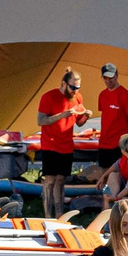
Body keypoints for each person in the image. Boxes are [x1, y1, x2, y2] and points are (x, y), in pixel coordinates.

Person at [35, 68, 86, 220]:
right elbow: (41, 120)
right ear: (64, 84)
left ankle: (59, 213)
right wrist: (61, 115)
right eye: (72, 87)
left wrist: (85, 116)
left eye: (78, 88)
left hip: (66, 144)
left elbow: (80, 122)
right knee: (50, 180)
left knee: (61, 179)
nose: (75, 91)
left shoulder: (77, 98)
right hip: (50, 143)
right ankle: (47, 214)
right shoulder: (49, 97)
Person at [91, 61, 128, 179]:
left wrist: (121, 127)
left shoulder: (125, 95)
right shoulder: (102, 95)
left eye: (110, 78)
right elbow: (106, 115)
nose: (108, 81)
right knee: (104, 173)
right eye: (105, 78)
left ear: (117, 75)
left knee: (118, 174)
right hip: (104, 141)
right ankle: (106, 195)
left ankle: (118, 196)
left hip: (118, 143)